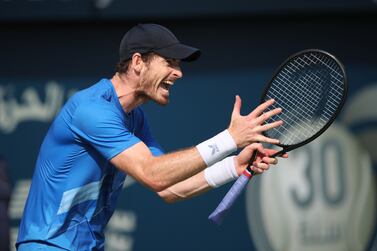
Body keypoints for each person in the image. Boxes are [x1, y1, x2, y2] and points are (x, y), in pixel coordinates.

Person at [16, 23, 287, 250]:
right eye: (169, 62)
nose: (179, 73)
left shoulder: (136, 118)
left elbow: (168, 187)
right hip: (47, 246)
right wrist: (229, 139)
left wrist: (234, 166)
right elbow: (153, 174)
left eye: (179, 65)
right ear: (138, 62)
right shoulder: (91, 110)